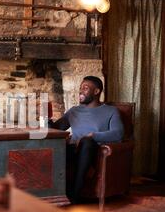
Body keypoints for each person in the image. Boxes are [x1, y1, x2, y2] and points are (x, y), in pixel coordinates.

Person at [49, 76, 124, 204]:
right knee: (52, 148)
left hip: (95, 153)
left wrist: (92, 136)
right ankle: (48, 193)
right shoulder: (74, 111)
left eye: (85, 88)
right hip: (73, 151)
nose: (80, 91)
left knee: (87, 142)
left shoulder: (111, 111)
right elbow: (56, 128)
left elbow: (118, 134)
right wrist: (45, 117)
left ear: (96, 91)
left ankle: (75, 194)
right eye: (80, 88)